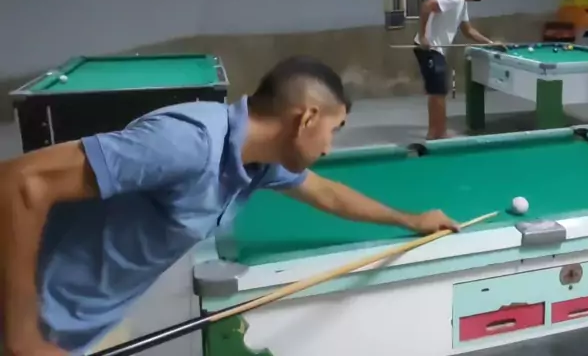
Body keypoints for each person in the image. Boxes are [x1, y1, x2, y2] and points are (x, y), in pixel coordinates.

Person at [0, 56, 458, 355]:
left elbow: (327, 192)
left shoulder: (261, 161)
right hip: (18, 319)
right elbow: (19, 181)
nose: (329, 147)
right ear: (307, 118)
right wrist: (23, 337)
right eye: (334, 131)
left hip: (78, 327)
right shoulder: (189, 142)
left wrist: (411, 220)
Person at [413, 0, 495, 140]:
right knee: (438, 91)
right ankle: (438, 133)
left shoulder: (462, 2)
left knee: (438, 91)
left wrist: (490, 43)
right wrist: (423, 37)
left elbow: (468, 30)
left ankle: (435, 132)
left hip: (436, 50)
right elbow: (427, 6)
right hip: (429, 48)